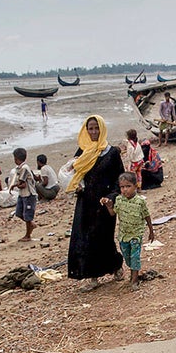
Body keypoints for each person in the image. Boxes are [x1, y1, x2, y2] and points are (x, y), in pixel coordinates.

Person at [66, 116, 125, 292]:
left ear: (102, 129)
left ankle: (115, 266)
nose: (93, 132)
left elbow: (119, 178)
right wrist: (76, 187)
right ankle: (92, 276)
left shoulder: (111, 152)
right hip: (86, 203)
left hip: (104, 203)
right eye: (90, 129)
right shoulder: (82, 151)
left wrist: (112, 197)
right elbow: (77, 175)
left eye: (96, 128)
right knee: (85, 238)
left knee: (104, 237)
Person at [100, 172, 155, 291]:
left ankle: (134, 279)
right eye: (122, 187)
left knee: (135, 256)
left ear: (135, 186)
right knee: (127, 256)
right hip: (123, 235)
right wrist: (109, 206)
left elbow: (147, 216)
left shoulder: (140, 202)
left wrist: (151, 230)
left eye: (128, 186)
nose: (125, 190)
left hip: (136, 234)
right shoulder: (119, 200)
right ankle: (133, 272)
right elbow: (113, 213)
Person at [8, 148, 37, 242]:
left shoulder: (24, 168)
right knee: (19, 213)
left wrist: (14, 185)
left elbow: (23, 184)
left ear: (16, 159)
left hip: (28, 194)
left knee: (27, 215)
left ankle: (28, 235)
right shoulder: (20, 168)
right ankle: (31, 225)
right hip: (23, 195)